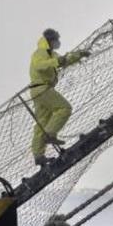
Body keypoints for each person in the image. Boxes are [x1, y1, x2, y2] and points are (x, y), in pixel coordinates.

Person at [29, 28, 89, 167]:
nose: (58, 42)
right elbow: (40, 66)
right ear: (50, 40)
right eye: (56, 40)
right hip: (42, 88)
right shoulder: (40, 53)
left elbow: (63, 60)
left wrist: (79, 55)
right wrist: (56, 62)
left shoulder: (51, 54)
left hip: (38, 90)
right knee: (64, 108)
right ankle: (50, 134)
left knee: (42, 122)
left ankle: (38, 155)